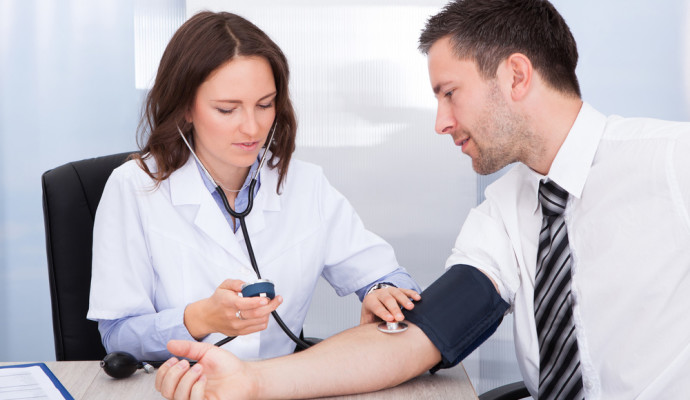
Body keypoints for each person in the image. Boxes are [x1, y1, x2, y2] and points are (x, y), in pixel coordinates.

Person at [154, 0, 690, 399]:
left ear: (517, 76)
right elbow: (418, 336)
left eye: (449, 92)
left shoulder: (671, 163)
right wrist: (251, 381)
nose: (440, 122)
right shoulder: (505, 213)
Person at [86, 11, 421, 363]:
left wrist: (382, 293)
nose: (252, 128)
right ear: (186, 107)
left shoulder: (305, 185)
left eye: (265, 104)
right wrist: (199, 318)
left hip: (275, 386)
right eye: (227, 110)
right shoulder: (134, 188)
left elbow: (388, 276)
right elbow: (117, 336)